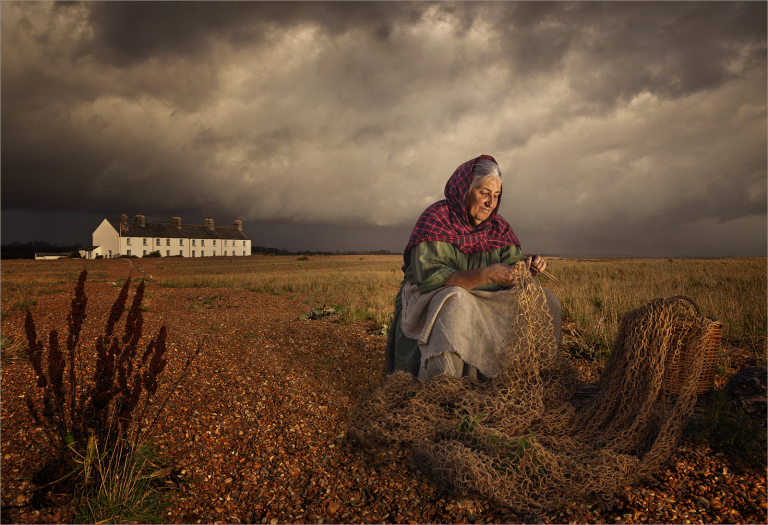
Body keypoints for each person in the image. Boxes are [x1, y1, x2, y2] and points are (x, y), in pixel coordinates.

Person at [384, 154, 562, 382]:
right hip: (434, 297)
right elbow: (431, 278)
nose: (491, 203)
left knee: (546, 300)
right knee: (456, 301)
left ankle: (527, 380)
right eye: (484, 193)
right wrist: (487, 274)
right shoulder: (436, 220)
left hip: (485, 301)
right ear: (464, 190)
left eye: (496, 195)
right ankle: (444, 388)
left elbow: (513, 266)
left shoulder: (499, 228)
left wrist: (529, 270)